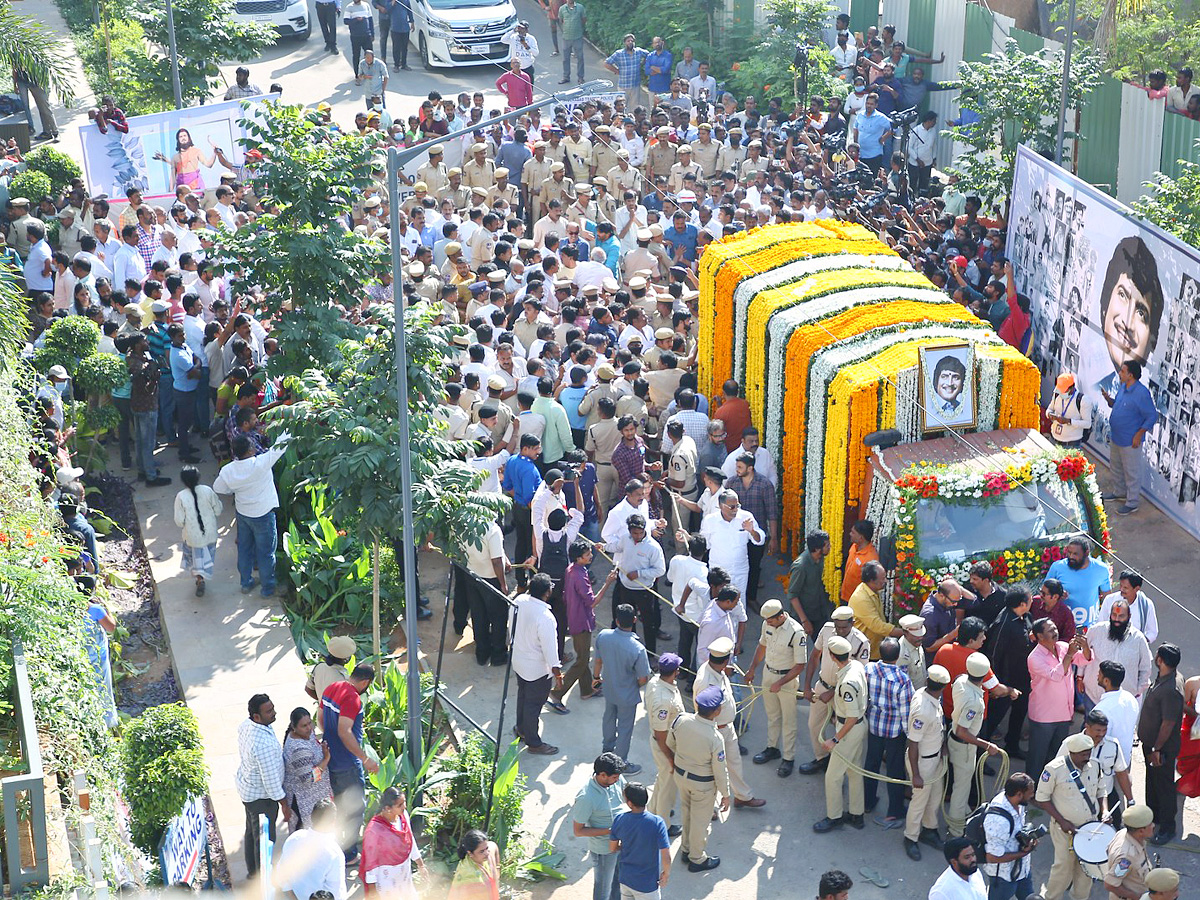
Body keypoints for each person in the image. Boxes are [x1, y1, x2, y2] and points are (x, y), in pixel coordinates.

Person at [213, 432, 290, 598]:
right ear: (248, 452)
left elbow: (218, 488)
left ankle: (246, 583)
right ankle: (268, 588)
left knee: (244, 549)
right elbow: (280, 447)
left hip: (243, 514)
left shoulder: (228, 470)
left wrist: (233, 490)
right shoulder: (260, 463)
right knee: (266, 552)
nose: (255, 448)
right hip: (263, 514)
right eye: (253, 446)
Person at [693, 636, 764, 808]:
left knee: (734, 763)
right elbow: (703, 712)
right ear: (726, 660)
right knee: (713, 769)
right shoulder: (706, 682)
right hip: (714, 731)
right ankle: (711, 807)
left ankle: (742, 796)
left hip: (727, 728)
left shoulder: (717, 671)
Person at [667, 685, 731, 872]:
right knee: (700, 823)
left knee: (686, 813)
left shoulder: (681, 720)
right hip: (702, 784)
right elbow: (720, 771)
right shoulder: (715, 738)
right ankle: (697, 858)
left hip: (681, 776)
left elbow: (671, 743)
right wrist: (725, 795)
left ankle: (686, 849)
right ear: (717, 711)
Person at [800, 606, 869, 775]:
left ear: (853, 623)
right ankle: (822, 759)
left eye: (844, 627)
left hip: (844, 692)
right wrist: (807, 685)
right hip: (822, 685)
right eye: (837, 626)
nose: (840, 630)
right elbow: (815, 656)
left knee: (842, 730)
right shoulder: (826, 629)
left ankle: (841, 766)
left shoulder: (861, 642)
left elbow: (861, 674)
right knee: (813, 725)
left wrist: (832, 692)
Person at [321, 663, 379, 862]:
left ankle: (335, 847)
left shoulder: (332, 687)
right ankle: (349, 854)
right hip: (347, 763)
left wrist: (329, 741)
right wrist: (365, 759)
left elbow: (321, 719)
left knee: (337, 806)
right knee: (355, 808)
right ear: (365, 682)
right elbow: (344, 730)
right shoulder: (352, 698)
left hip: (331, 760)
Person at [1035, 731, 1103, 900]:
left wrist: (1105, 810)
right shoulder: (1054, 769)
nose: (1087, 756)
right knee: (1063, 867)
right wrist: (1062, 821)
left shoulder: (1095, 765)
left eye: (1089, 752)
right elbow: (1042, 799)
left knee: (1087, 869)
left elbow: (1102, 791)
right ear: (1071, 753)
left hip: (1089, 828)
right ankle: (1053, 897)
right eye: (1083, 754)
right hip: (1064, 829)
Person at [812, 634, 869, 833]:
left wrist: (835, 739)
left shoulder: (846, 683)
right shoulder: (856, 666)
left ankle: (834, 816)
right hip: (857, 725)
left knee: (833, 776)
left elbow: (851, 717)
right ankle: (856, 813)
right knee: (854, 771)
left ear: (832, 656)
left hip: (848, 730)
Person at [744, 598, 806, 777]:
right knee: (772, 715)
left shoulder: (796, 632)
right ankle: (772, 748)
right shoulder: (768, 625)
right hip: (769, 673)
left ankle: (788, 757)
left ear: (780, 616)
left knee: (789, 720)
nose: (767, 623)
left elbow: (800, 665)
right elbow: (762, 646)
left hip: (787, 679)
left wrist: (780, 683)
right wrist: (752, 669)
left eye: (770, 620)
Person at [1026, 618, 1090, 780]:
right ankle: (1030, 790)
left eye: (1055, 628)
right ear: (1040, 636)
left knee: (1056, 757)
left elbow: (1085, 659)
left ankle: (1049, 788)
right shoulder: (1034, 658)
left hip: (1063, 713)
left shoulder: (1062, 646)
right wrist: (1069, 654)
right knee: (1037, 757)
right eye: (1050, 630)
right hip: (1044, 716)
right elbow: (1055, 675)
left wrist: (1085, 645)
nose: (1055, 632)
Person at [947, 653, 1002, 837]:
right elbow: (963, 731)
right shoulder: (974, 702)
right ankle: (956, 830)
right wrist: (986, 745)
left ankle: (961, 817)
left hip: (954, 739)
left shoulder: (961, 680)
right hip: (963, 745)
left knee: (960, 785)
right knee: (961, 790)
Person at [236, 693, 291, 877]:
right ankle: (261, 878)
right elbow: (271, 781)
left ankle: (253, 873)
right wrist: (284, 804)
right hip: (262, 798)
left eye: (272, 708)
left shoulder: (247, 725)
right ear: (256, 716)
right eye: (269, 711)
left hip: (248, 790)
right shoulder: (263, 744)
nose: (274, 713)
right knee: (264, 840)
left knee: (252, 833)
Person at [592, 603, 652, 772]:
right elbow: (643, 678)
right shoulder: (638, 648)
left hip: (609, 688)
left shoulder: (603, 636)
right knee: (625, 728)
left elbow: (598, 661)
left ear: (616, 621)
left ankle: (607, 750)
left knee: (609, 717)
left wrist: (596, 678)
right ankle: (621, 762)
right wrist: (634, 685)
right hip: (627, 694)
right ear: (634, 620)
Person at [510, 573, 563, 754]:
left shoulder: (519, 601)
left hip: (518, 661)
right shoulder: (546, 617)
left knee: (523, 696)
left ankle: (521, 729)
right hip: (537, 670)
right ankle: (533, 743)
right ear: (547, 592)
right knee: (533, 705)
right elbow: (550, 650)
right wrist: (557, 674)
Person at [863, 637, 913, 828]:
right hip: (894, 732)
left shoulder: (869, 670)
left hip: (874, 725)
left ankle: (867, 801)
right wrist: (911, 737)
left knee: (871, 764)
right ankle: (895, 811)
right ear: (898, 655)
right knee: (895, 770)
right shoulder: (902, 680)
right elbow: (905, 712)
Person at [903, 664, 951, 861]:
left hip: (935, 758)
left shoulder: (928, 695)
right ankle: (911, 836)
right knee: (919, 801)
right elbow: (913, 743)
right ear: (943, 687)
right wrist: (915, 774)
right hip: (922, 762)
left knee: (935, 797)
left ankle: (929, 830)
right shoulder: (923, 709)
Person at [1138, 643, 1183, 846]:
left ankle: (1167, 828)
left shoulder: (1171, 689)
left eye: (1157, 656)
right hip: (1151, 744)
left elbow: (1168, 723)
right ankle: (1152, 818)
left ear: (1161, 661)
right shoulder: (1166, 677)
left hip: (1161, 747)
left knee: (1164, 787)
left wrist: (1156, 749)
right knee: (1153, 782)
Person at [1102, 359, 1158, 516]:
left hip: (1130, 441)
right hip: (1116, 437)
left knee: (1131, 472)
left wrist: (1139, 434)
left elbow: (1152, 416)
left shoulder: (1141, 393)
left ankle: (1132, 502)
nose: (1120, 373)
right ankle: (1119, 492)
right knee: (1116, 467)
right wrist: (1108, 399)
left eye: (1122, 371)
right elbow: (1117, 404)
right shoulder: (1123, 387)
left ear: (1130, 375)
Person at [571, 753, 626, 900]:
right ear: (602, 775)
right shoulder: (586, 798)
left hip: (622, 844)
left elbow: (627, 795)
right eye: (614, 777)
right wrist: (611, 832)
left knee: (619, 882)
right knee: (603, 888)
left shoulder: (616, 781)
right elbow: (578, 831)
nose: (618, 780)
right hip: (604, 850)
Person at [1080, 599, 1153, 704]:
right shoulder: (1096, 631)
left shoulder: (1139, 639)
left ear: (1129, 616)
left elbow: (1145, 668)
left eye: (1121, 616)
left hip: (1122, 701)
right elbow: (1083, 655)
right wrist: (1079, 677)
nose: (1117, 619)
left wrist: (1138, 690)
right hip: (1094, 697)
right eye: (1114, 615)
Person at [361, 786, 428, 898]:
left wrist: (421, 865)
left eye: (404, 802)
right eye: (400, 805)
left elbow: (410, 840)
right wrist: (373, 891)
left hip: (404, 873)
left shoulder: (403, 816)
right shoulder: (374, 830)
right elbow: (371, 863)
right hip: (386, 877)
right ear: (388, 808)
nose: (404, 807)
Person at [644, 652, 684, 834]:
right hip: (666, 745)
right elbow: (661, 734)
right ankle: (663, 825)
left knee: (663, 780)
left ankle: (653, 812)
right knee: (668, 787)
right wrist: (671, 758)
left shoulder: (656, 683)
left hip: (665, 742)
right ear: (675, 671)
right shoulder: (663, 699)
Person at [979, 773, 1037, 900]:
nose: (1033, 795)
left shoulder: (1018, 803)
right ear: (1019, 794)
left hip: (1022, 871)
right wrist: (1023, 853)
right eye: (1030, 793)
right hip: (1003, 878)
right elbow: (992, 857)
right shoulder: (998, 821)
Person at [609, 782, 671, 899]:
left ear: (630, 803)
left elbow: (612, 848)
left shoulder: (619, 819)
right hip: (647, 885)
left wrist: (629, 846)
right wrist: (666, 874)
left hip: (625, 879)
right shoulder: (657, 823)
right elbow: (666, 855)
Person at [275, 799, 347, 900]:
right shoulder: (334, 853)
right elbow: (337, 893)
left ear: (311, 817)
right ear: (334, 821)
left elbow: (281, 873)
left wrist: (292, 896)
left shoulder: (294, 838)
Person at [1043, 537, 1111, 631]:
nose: (1071, 557)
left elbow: (1107, 595)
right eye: (1069, 552)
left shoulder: (1101, 569)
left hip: (1091, 627)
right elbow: (1044, 592)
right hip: (1063, 627)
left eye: (1075, 554)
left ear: (1086, 553)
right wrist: (1057, 595)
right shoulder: (1057, 567)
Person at [173, 465, 221, 597]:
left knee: (196, 559)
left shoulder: (181, 496)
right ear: (198, 477)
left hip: (192, 537)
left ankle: (199, 579)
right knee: (207, 557)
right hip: (210, 534)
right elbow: (218, 510)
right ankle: (202, 577)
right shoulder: (207, 490)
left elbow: (179, 521)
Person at [282, 707, 333, 829]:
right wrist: (326, 759)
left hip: (314, 797)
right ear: (294, 727)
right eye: (304, 726)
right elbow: (309, 778)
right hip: (304, 801)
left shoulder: (306, 734)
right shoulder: (299, 750)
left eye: (310, 723)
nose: (309, 728)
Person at [848, 560, 901, 658]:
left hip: (875, 649)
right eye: (883, 578)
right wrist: (904, 632)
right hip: (864, 653)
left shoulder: (873, 590)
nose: (885, 581)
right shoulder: (861, 598)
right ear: (872, 581)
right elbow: (877, 626)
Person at [788, 530, 833, 637]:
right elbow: (792, 595)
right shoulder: (801, 566)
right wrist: (805, 621)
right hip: (804, 615)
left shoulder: (820, 558)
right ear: (817, 549)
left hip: (819, 611)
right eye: (827, 545)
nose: (830, 547)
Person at [1099, 571, 1159, 643]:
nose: (1121, 589)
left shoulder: (1147, 605)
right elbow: (1100, 625)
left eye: (1125, 587)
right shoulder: (1110, 600)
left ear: (1136, 589)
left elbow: (1152, 632)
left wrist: (1139, 642)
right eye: (1120, 586)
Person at [448, 830, 501, 900]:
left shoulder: (487, 855)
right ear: (470, 853)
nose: (487, 853)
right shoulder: (468, 876)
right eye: (481, 851)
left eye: (486, 848)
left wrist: (497, 868)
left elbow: (493, 845)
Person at [1046, 372, 1092, 448]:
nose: (1061, 393)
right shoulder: (1057, 393)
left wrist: (1069, 421)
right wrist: (1049, 415)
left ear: (1072, 388)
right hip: (1054, 440)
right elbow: (1050, 409)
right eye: (1060, 391)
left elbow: (1087, 424)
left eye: (1064, 391)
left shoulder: (1083, 400)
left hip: (1071, 445)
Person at [306, 636, 356, 703]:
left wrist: (322, 703)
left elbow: (308, 689)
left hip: (321, 711)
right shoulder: (343, 680)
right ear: (346, 659)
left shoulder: (319, 667)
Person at [840, 519, 879, 605]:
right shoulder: (854, 546)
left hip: (857, 603)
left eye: (853, 532)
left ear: (861, 538)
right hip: (845, 596)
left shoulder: (871, 559)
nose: (850, 534)